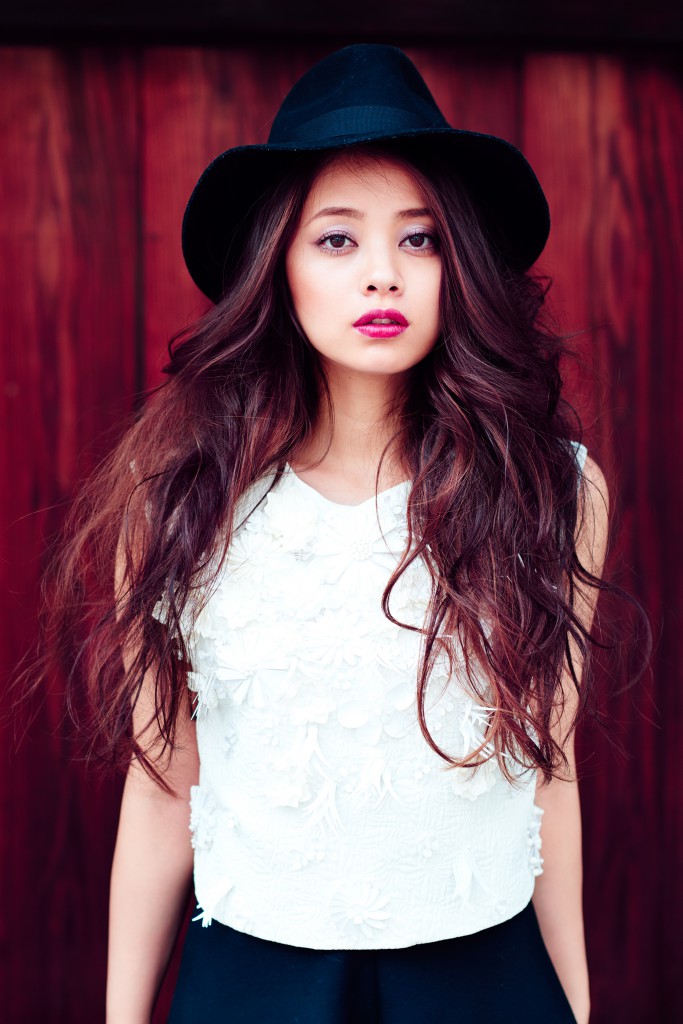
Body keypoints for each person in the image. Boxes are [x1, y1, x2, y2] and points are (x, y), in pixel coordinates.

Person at [42, 43, 625, 1023]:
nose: (382, 278)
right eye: (337, 240)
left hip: (483, 978)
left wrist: (572, 1001)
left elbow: (548, 773)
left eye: (421, 238)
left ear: (460, 264)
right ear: (277, 264)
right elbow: (159, 792)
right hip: (254, 982)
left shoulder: (553, 490)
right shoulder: (176, 496)